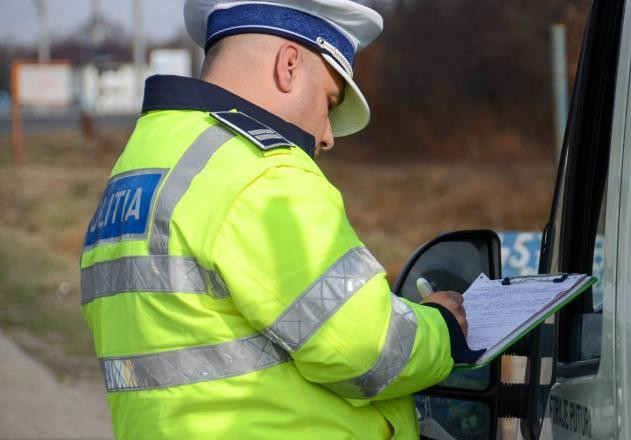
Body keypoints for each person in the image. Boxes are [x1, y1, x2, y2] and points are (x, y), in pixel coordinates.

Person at [79, 1, 479, 438]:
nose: (327, 136)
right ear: (289, 65)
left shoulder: (142, 163)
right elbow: (366, 347)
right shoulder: (259, 171)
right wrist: (442, 326)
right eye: (329, 101)